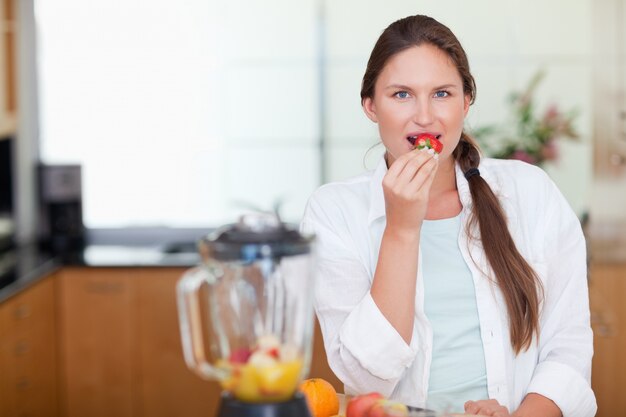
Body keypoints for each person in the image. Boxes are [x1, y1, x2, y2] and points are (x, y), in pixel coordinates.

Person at [300, 14, 596, 417]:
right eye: (401, 95)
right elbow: (365, 379)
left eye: (442, 93)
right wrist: (401, 229)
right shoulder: (332, 211)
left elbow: (569, 346)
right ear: (370, 106)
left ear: (466, 101)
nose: (424, 116)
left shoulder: (531, 192)